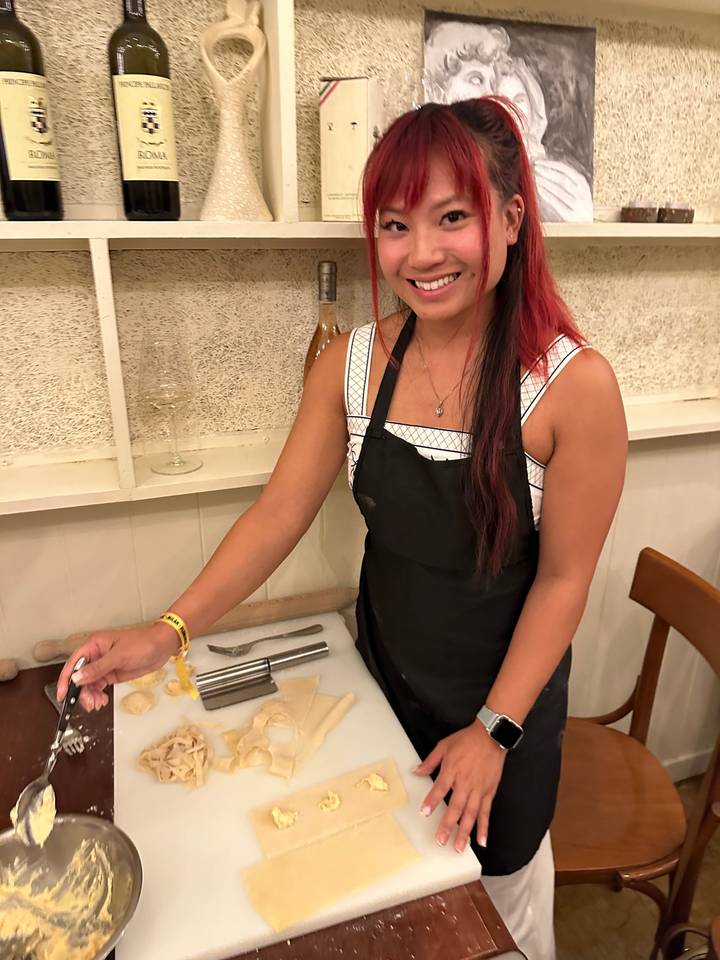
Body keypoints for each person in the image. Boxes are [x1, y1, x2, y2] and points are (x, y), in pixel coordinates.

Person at [58, 96, 627, 960]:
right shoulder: (351, 364)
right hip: (383, 688)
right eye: (395, 225)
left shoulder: (572, 388)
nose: (421, 253)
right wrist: (163, 634)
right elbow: (278, 514)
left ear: (512, 221)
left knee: (494, 917)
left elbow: (563, 581)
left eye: (452, 217)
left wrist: (494, 732)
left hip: (505, 715)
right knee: (399, 904)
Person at [424, 20, 594, 222]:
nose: (489, 94)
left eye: (491, 84)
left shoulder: (551, 180)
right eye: (476, 79)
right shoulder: (427, 166)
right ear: (436, 90)